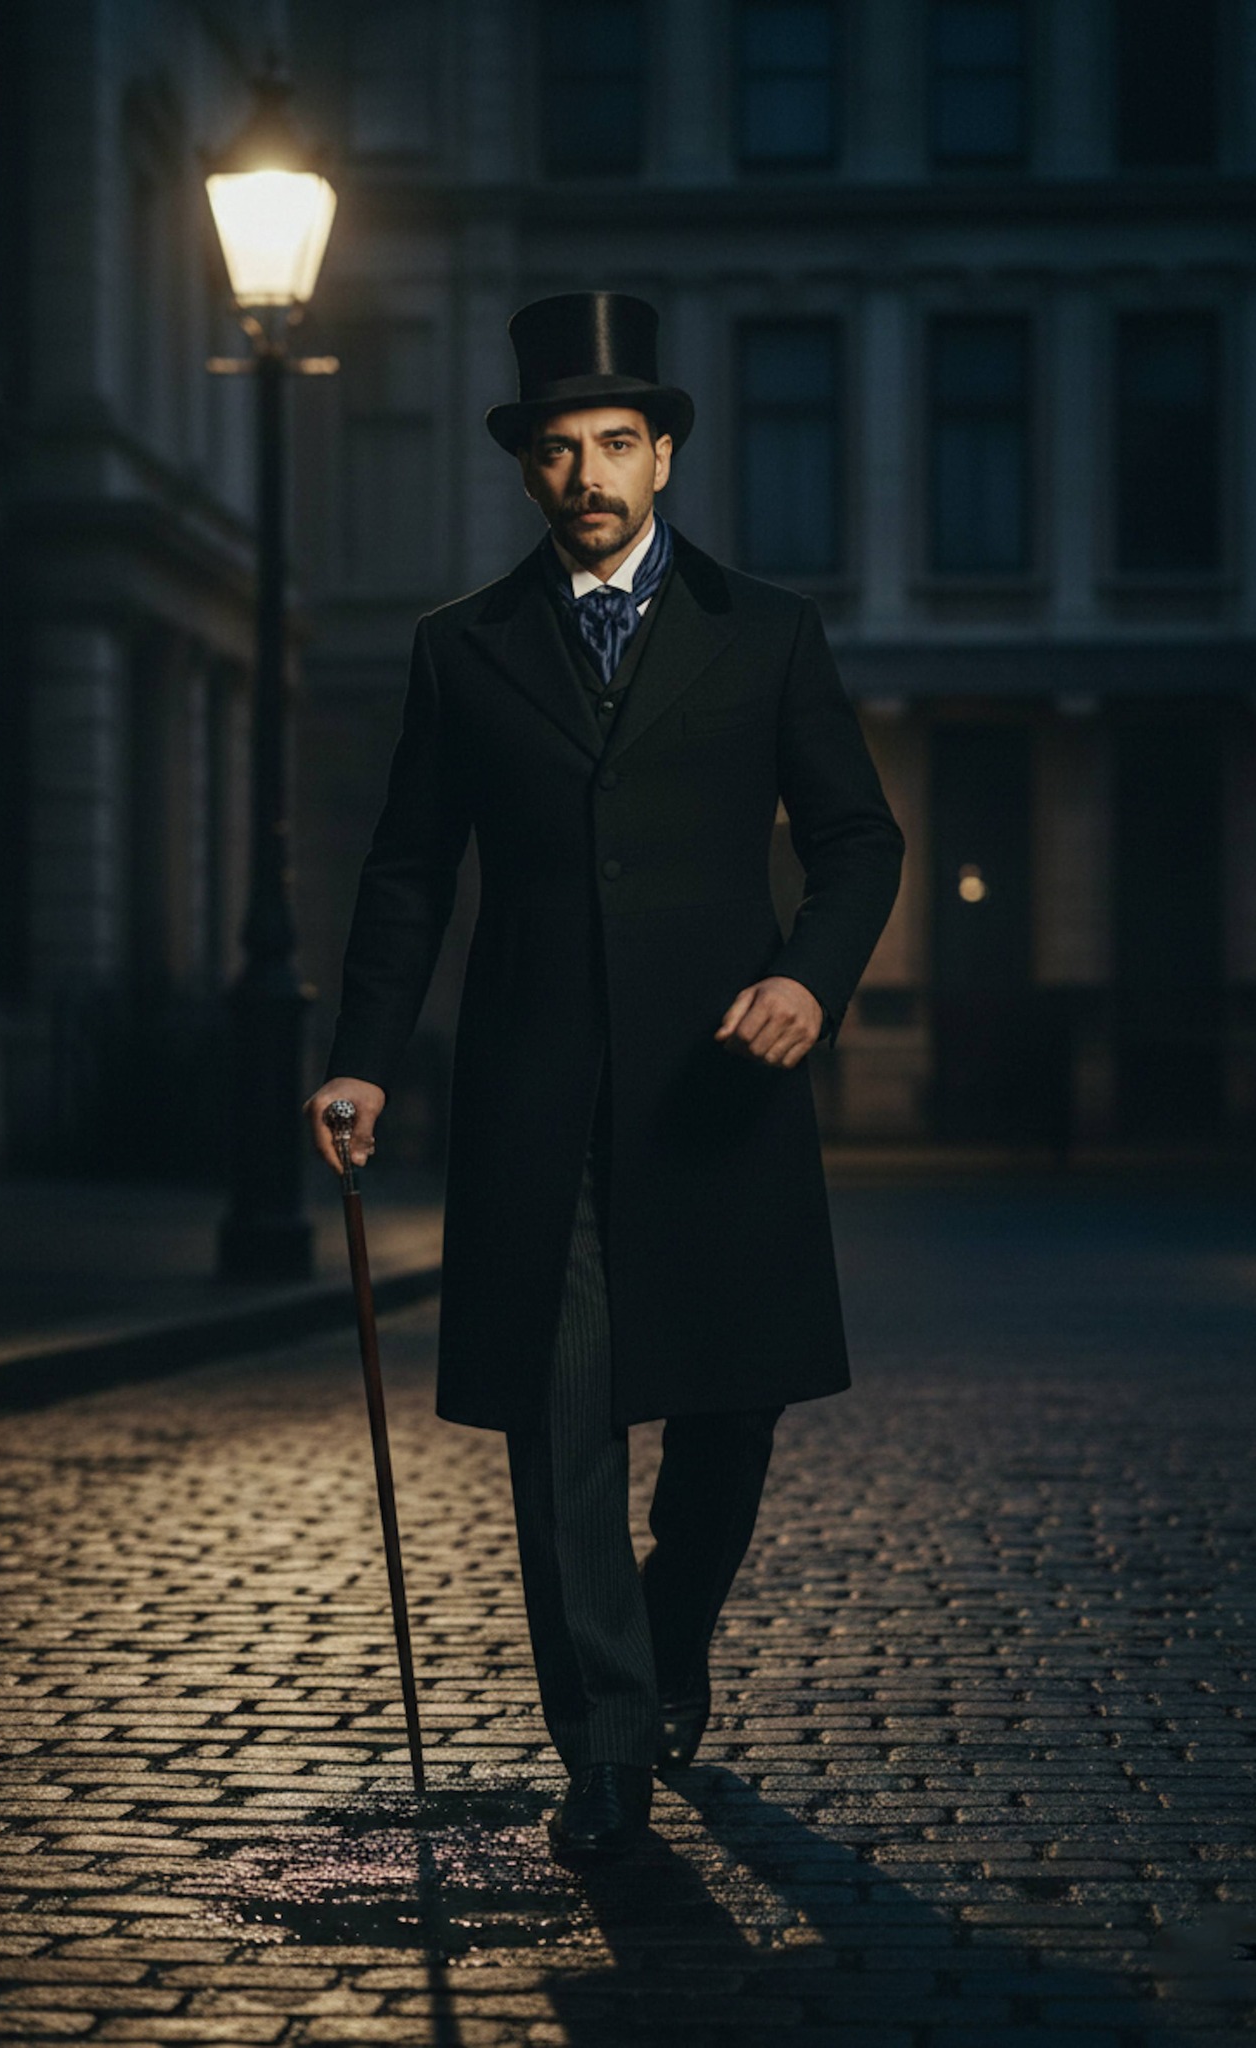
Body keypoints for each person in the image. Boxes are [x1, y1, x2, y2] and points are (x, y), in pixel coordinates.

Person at [306, 291, 903, 1862]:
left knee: (729, 1419)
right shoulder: (463, 650)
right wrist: (362, 1060)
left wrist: (806, 976)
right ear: (527, 472)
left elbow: (856, 838)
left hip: (723, 1098)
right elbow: (407, 875)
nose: (589, 473)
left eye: (617, 443)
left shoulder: (767, 632)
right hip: (538, 1103)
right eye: (560, 448)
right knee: (557, 1425)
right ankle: (608, 1753)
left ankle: (672, 1627)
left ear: (666, 458)